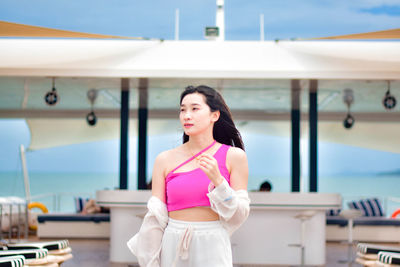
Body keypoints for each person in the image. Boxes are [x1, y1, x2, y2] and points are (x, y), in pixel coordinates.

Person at [127, 85, 250, 267]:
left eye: (194, 108)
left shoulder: (234, 156)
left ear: (214, 115)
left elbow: (239, 215)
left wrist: (218, 181)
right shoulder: (164, 159)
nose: (186, 115)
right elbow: (155, 218)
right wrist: (151, 263)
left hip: (213, 243)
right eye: (182, 110)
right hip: (173, 242)